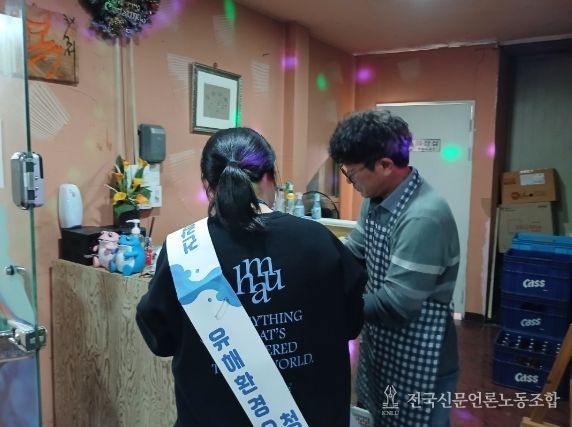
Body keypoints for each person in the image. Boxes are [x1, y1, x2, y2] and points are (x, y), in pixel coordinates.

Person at [136, 127, 366, 427]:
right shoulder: (319, 240)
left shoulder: (182, 251)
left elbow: (160, 339)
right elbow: (351, 323)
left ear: (207, 185)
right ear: (271, 176)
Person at [328, 110, 460, 427]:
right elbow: (354, 252)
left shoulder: (423, 216)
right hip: (384, 345)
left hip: (422, 353)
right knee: (381, 416)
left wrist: (328, 309)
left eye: (352, 173)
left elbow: (396, 304)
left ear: (386, 165)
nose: (351, 182)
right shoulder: (376, 199)